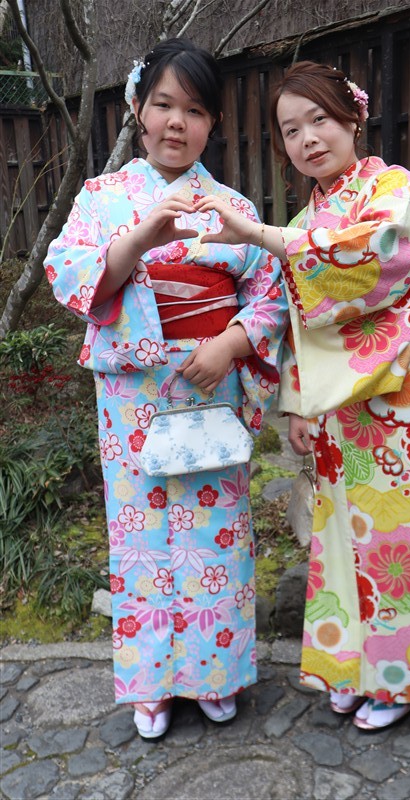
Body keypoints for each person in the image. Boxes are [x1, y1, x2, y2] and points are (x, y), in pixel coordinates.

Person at [193, 60, 410, 730]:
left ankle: (402, 680)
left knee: (396, 530)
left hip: (402, 381)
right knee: (341, 528)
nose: (308, 138)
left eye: (319, 119)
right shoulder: (306, 217)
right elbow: (299, 321)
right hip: (335, 397)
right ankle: (352, 667)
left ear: (353, 117)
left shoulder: (393, 187)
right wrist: (295, 402)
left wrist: (261, 236)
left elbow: (374, 256)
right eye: (291, 130)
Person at [44, 38, 288, 740]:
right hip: (135, 391)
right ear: (137, 110)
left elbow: (270, 292)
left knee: (217, 535)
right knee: (142, 538)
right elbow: (70, 274)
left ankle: (215, 673)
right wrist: (140, 237)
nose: (177, 122)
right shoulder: (102, 199)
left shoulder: (232, 206)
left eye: (195, 110)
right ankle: (151, 684)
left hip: (212, 384)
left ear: (214, 123)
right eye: (163, 105)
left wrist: (231, 344)